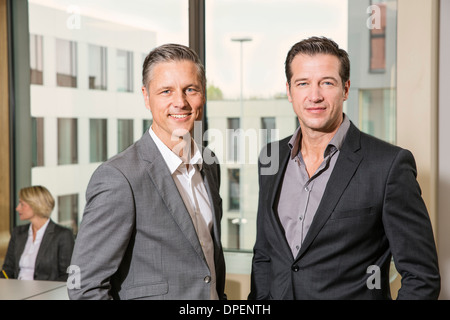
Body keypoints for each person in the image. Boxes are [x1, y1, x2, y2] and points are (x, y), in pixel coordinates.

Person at [249, 36, 440, 300]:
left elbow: (421, 277)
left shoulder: (388, 165)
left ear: (346, 89)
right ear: (289, 91)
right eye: (303, 83)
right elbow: (264, 254)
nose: (314, 96)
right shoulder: (270, 158)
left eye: (327, 83)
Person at [68, 43, 226, 300]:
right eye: (166, 91)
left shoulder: (209, 164)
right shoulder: (120, 178)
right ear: (146, 97)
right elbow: (84, 285)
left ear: (203, 95)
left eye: (190, 89)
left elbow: (207, 265)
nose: (180, 102)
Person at [1, 186, 74, 281]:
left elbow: (67, 275)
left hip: (47, 293)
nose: (17, 208)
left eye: (22, 204)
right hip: (16, 292)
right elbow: (8, 269)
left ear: (36, 205)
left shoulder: (63, 235)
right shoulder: (18, 233)